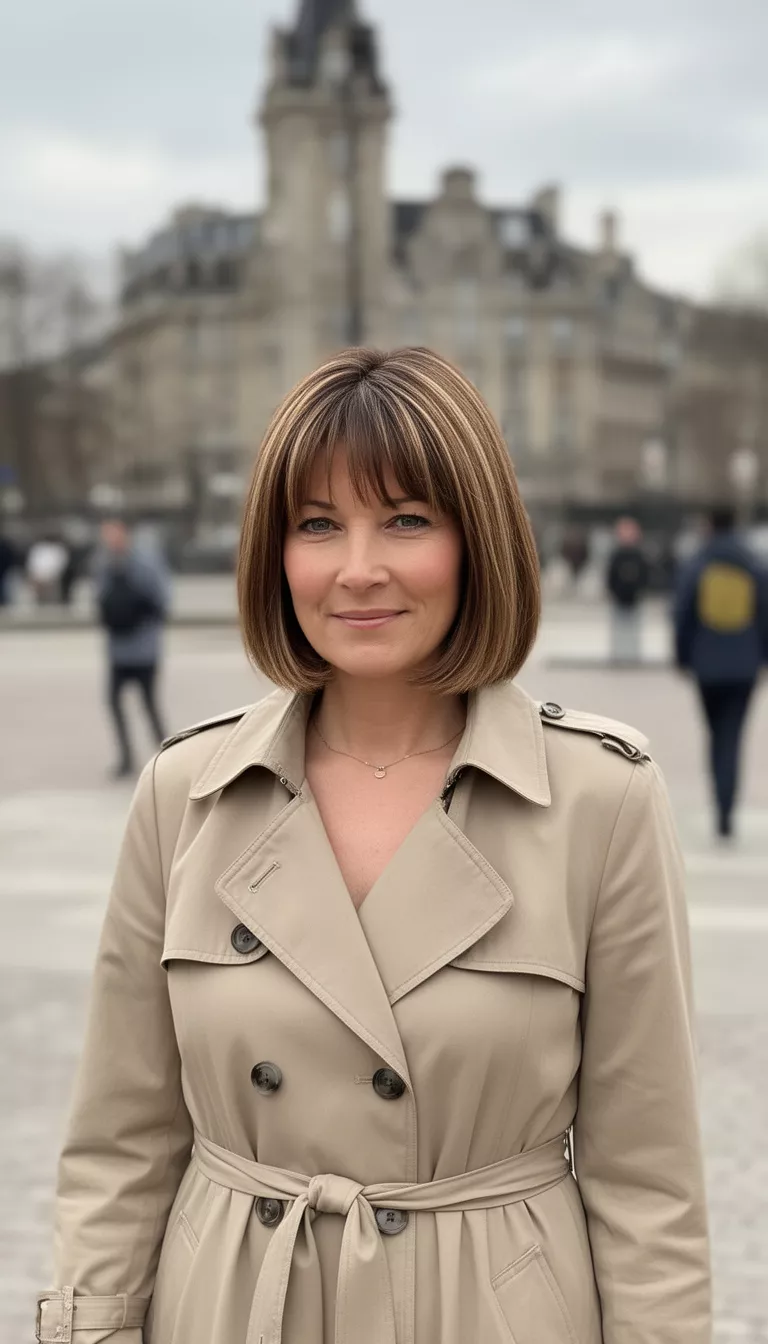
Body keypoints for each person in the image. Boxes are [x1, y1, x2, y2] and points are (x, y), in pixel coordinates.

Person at [37, 348, 710, 1344]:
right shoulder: (187, 792)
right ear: (275, 554)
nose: (358, 569)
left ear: (476, 539)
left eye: (406, 520)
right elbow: (118, 1146)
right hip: (231, 1306)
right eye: (317, 526)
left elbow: (647, 1179)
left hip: (488, 1310)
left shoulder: (600, 798)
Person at [674, 505, 768, 839]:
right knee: (733, 737)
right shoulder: (754, 563)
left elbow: (682, 612)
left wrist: (682, 657)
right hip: (744, 667)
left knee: (715, 736)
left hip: (707, 665)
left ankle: (720, 802)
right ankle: (728, 809)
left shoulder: (699, 562)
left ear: (710, 525)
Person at [95, 518, 170, 779]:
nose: (110, 539)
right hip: (118, 649)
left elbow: (161, 599)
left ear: (125, 533)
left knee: (149, 703)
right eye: (106, 534)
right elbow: (100, 598)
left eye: (114, 533)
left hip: (144, 648)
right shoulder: (104, 563)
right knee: (113, 702)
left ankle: (167, 756)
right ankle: (126, 757)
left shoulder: (145, 561)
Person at [605, 516, 650, 663]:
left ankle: (632, 655)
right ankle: (619, 655)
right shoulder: (616, 555)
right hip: (619, 600)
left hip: (634, 600)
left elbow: (644, 577)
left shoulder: (639, 555)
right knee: (619, 631)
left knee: (633, 631)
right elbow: (610, 577)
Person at [26, 532, 68, 604]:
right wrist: (35, 576)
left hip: (52, 580)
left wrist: (50, 576)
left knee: (51, 602)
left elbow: (60, 564)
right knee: (36, 601)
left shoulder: (59, 549)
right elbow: (32, 562)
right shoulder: (38, 548)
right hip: (37, 578)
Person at [0, 529, 19, 606]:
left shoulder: (5, 546)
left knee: (6, 591)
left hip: (5, 572)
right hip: (4, 571)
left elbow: (10, 559)